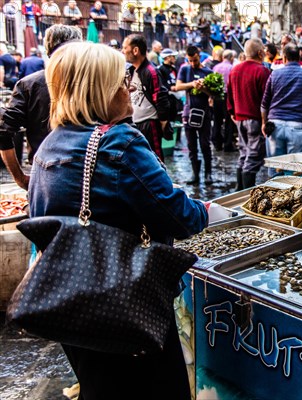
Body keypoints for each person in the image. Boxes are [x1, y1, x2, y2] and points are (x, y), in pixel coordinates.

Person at [29, 41, 208, 400]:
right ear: (100, 91)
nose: (129, 89)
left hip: (70, 305)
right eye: (121, 82)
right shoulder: (120, 142)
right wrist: (207, 211)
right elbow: (181, 216)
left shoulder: (48, 146)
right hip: (127, 305)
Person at [0, 24, 82, 190]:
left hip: (48, 175)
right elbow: (4, 132)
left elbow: (4, 132)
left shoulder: (29, 84)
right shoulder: (93, 81)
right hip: (80, 173)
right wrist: (19, 178)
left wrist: (20, 178)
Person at [261, 44, 302, 160]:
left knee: (275, 168)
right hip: (297, 126)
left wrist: (264, 123)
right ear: (299, 58)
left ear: (284, 58)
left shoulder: (274, 75)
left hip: (275, 126)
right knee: (295, 170)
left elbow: (264, 103)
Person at [227, 38, 271, 189]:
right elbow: (267, 99)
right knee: (252, 156)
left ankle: (239, 189)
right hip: (255, 119)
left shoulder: (235, 70)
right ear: (260, 53)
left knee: (244, 153)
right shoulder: (262, 71)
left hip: (239, 118)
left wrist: (232, 112)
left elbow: (229, 94)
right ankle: (245, 193)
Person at [122, 34, 170, 161]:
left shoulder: (151, 71)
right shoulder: (131, 71)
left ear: (135, 50)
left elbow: (160, 96)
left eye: (125, 48)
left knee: (155, 158)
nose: (123, 51)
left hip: (149, 123)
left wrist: (164, 123)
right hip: (135, 123)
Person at [175, 45, 214, 185]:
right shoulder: (184, 69)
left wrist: (203, 88)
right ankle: (195, 175)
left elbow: (214, 94)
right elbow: (178, 86)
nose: (192, 63)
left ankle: (208, 174)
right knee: (192, 146)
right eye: (190, 60)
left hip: (204, 113)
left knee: (205, 145)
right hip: (189, 112)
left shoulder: (208, 71)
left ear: (199, 56)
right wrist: (192, 84)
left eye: (195, 60)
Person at [213, 49, 236, 152]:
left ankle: (217, 143)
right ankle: (227, 144)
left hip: (217, 95)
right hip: (228, 96)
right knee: (228, 121)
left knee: (217, 120)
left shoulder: (216, 67)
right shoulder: (232, 68)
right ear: (231, 58)